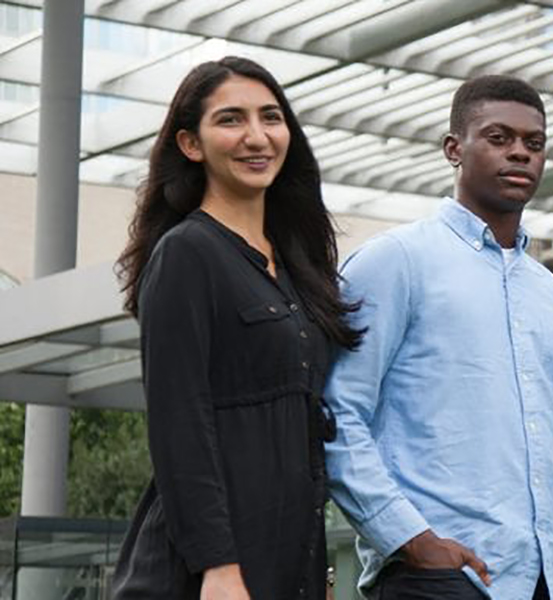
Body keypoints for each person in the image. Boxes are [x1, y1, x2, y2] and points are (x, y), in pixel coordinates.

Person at [323, 75, 553, 600]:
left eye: (534, 143)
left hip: (549, 584)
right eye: (499, 138)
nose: (520, 154)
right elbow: (338, 415)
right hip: (436, 579)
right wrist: (411, 540)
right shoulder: (397, 262)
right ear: (454, 149)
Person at [109, 56, 361, 599]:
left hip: (288, 565)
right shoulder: (186, 254)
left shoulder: (297, 269)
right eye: (230, 120)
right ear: (190, 144)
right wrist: (217, 566)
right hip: (204, 575)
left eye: (271, 118)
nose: (257, 136)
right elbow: (179, 426)